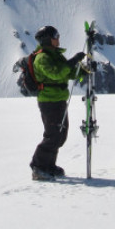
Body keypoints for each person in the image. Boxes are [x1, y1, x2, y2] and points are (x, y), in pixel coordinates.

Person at [29, 25, 85, 181]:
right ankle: (38, 166)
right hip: (49, 100)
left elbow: (67, 72)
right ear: (47, 39)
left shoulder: (55, 55)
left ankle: (49, 165)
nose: (58, 38)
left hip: (59, 99)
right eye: (55, 36)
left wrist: (82, 71)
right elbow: (56, 73)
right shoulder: (42, 58)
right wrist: (74, 60)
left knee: (60, 135)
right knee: (52, 134)